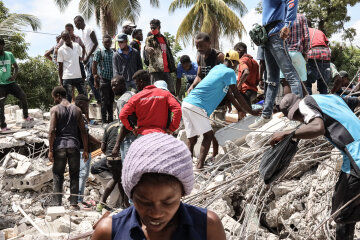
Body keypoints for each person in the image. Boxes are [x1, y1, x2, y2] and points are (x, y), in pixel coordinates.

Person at [91, 132, 227, 240]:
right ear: (131, 194)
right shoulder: (109, 232)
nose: (156, 213)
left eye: (168, 202)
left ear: (183, 193)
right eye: (145, 202)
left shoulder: (208, 227)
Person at [270, 93, 360, 240]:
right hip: (351, 157)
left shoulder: (306, 103)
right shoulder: (331, 98)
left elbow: (318, 128)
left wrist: (288, 133)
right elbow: (357, 101)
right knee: (348, 205)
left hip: (356, 156)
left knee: (341, 212)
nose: (301, 119)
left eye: (297, 115)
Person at [182, 50, 261, 169]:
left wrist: (239, 109)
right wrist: (251, 111)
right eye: (236, 65)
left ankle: (186, 168)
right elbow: (236, 94)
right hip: (197, 105)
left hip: (187, 103)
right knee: (208, 136)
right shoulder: (229, 72)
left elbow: (229, 94)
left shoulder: (216, 69)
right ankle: (199, 167)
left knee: (192, 138)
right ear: (234, 63)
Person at [249, 0, 303, 130]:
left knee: (290, 74)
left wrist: (288, 24)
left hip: (276, 33)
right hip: (267, 36)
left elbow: (292, 1)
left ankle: (297, 115)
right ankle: (266, 115)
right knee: (271, 80)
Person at [48, 86, 88, 210]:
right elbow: (83, 131)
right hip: (74, 146)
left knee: (58, 175)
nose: (54, 100)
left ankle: (57, 204)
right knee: (74, 175)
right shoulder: (76, 110)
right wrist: (86, 149)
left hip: (59, 146)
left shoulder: (55, 109)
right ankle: (73, 204)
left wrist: (50, 150)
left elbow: (52, 130)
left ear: (58, 96)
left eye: (54, 97)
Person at [188, 32, 225, 160]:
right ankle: (207, 154)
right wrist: (193, 85)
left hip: (217, 98)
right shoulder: (199, 57)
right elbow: (199, 76)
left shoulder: (218, 56)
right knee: (206, 128)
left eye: (202, 46)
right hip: (204, 99)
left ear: (209, 43)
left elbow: (222, 78)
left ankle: (215, 154)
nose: (199, 49)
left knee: (216, 127)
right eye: (197, 46)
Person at [119, 70, 181, 136]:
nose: (136, 87)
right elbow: (178, 110)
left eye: (136, 84)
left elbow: (122, 115)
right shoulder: (165, 94)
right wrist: (172, 128)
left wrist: (132, 128)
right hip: (161, 135)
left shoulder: (135, 97)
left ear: (141, 82)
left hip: (143, 135)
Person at [0, 38, 32, 132]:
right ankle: (3, 126)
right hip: (0, 85)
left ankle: (26, 116)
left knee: (23, 96)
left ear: (2, 45)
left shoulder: (9, 55)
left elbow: (16, 67)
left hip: (10, 83)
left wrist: (14, 76)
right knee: (1, 105)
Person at [74, 94, 100, 208]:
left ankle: (79, 199)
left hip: (80, 149)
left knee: (82, 175)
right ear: (80, 104)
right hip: (81, 150)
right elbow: (85, 135)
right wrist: (99, 143)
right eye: (86, 105)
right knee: (82, 174)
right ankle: (78, 200)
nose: (87, 108)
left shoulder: (79, 115)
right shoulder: (78, 116)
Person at [97, 120, 129, 211]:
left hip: (110, 157)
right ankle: (125, 204)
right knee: (122, 179)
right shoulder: (128, 125)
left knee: (116, 178)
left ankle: (101, 203)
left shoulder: (109, 126)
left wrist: (109, 155)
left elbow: (102, 147)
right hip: (121, 155)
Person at [280, 13, 310, 95]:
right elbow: (307, 37)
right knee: (302, 83)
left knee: (286, 83)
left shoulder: (282, 15)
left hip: (284, 54)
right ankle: (301, 106)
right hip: (297, 53)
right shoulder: (301, 17)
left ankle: (289, 107)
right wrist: (305, 53)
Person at [144, 19, 176, 94]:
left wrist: (173, 67)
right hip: (155, 70)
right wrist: (147, 49)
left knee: (171, 92)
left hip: (166, 69)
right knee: (155, 92)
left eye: (153, 28)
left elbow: (168, 54)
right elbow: (147, 47)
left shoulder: (165, 39)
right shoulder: (150, 39)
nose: (152, 29)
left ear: (159, 27)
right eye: (151, 28)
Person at [74, 15, 101, 103]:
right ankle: (99, 98)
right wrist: (85, 59)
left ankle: (100, 98)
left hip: (94, 55)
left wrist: (88, 57)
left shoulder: (89, 29)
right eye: (75, 24)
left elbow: (95, 43)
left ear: (81, 21)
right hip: (89, 57)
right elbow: (87, 46)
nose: (76, 25)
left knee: (92, 78)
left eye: (76, 23)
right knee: (91, 79)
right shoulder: (83, 32)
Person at [110, 75, 136, 161]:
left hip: (129, 138)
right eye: (112, 86)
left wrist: (117, 145)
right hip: (138, 135)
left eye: (116, 85)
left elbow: (124, 124)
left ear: (124, 84)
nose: (113, 88)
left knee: (128, 167)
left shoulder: (122, 101)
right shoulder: (133, 94)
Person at [57, 30, 87, 102]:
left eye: (67, 36)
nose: (66, 38)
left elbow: (79, 60)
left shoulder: (77, 45)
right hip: (67, 78)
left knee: (84, 97)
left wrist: (83, 75)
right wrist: (61, 80)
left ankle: (81, 112)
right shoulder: (60, 50)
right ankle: (67, 113)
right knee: (67, 99)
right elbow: (60, 67)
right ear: (62, 39)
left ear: (69, 36)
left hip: (78, 76)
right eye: (64, 38)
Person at [92, 34, 115, 124]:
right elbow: (94, 64)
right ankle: (104, 121)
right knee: (104, 101)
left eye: (109, 42)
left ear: (111, 42)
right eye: (106, 42)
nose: (107, 43)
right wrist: (95, 77)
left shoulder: (113, 52)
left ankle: (111, 119)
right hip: (104, 79)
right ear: (103, 42)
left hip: (112, 80)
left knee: (111, 100)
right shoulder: (100, 51)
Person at [305, 22, 331, 95]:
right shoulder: (319, 31)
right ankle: (324, 104)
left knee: (307, 83)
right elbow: (327, 43)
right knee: (323, 84)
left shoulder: (304, 31)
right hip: (326, 54)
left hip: (313, 53)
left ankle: (309, 103)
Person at [234, 42, 260, 111]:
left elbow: (246, 72)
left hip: (245, 92)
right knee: (248, 113)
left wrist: (239, 85)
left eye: (235, 52)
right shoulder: (255, 62)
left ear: (239, 50)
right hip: (253, 92)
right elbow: (257, 81)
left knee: (244, 114)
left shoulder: (242, 60)